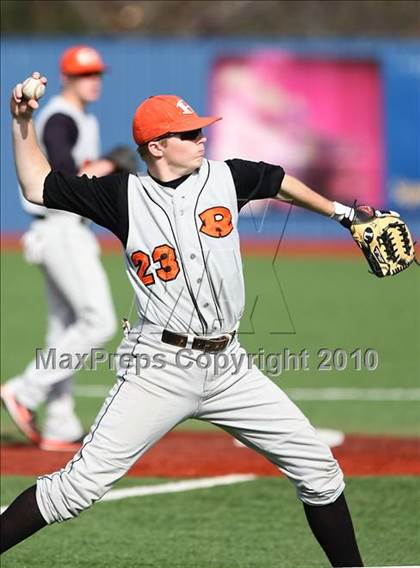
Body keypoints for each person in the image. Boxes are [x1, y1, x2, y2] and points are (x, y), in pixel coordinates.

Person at [1, 71, 364, 567]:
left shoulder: (223, 177)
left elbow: (278, 181)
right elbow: (38, 185)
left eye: (200, 129)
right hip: (158, 367)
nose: (202, 137)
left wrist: (345, 214)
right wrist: (22, 121)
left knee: (320, 472)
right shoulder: (121, 196)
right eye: (189, 133)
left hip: (230, 366)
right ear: (156, 146)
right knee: (77, 488)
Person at [1, 47, 119, 451]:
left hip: (60, 229)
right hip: (61, 227)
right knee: (98, 322)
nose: (94, 80)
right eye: (85, 74)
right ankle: (24, 391)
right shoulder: (61, 117)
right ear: (66, 77)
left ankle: (60, 421)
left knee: (63, 330)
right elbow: (66, 177)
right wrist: (109, 165)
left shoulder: (80, 116)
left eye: (96, 73)